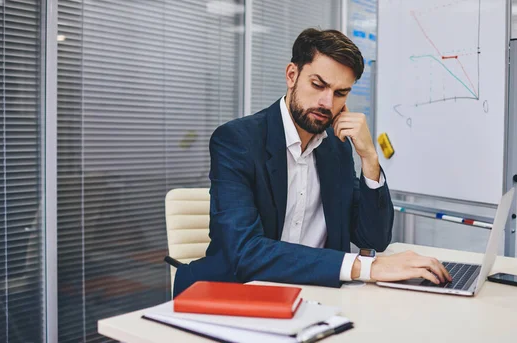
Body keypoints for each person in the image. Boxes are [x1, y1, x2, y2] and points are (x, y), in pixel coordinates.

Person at [173, 28, 451, 296]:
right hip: (240, 293)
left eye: (341, 93)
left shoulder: (336, 147)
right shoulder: (237, 140)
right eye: (318, 85)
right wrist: (366, 267)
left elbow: (374, 239)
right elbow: (245, 252)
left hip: (317, 295)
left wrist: (369, 158)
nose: (327, 103)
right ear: (292, 75)